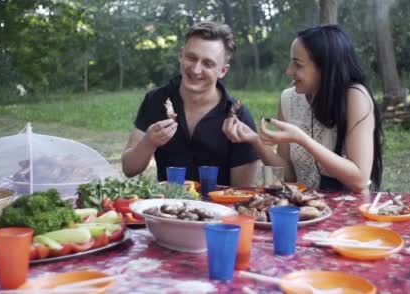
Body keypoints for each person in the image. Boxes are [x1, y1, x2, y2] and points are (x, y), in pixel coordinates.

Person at [222, 24, 383, 193]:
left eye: (298, 64)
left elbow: (359, 180)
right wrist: (255, 140)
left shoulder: (355, 97)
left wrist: (302, 139)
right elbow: (289, 177)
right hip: (304, 209)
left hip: (348, 211)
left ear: (325, 67)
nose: (289, 71)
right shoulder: (288, 99)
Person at [121, 21, 259, 187]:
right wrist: (148, 142)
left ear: (223, 71)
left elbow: (243, 193)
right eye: (191, 58)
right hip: (167, 208)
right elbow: (129, 169)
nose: (195, 69)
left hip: (219, 210)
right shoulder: (155, 100)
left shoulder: (239, 116)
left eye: (208, 63)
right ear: (181, 55)